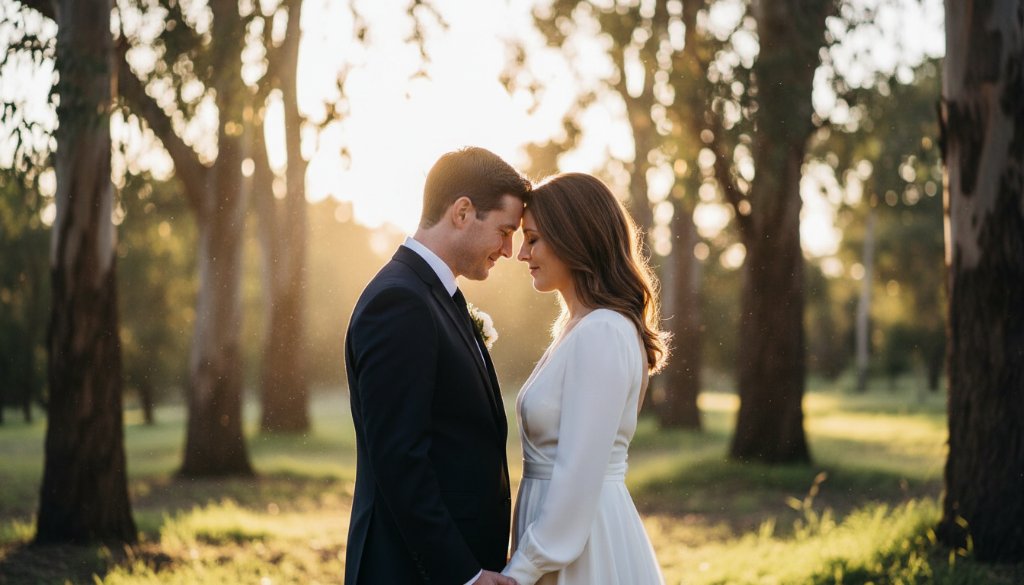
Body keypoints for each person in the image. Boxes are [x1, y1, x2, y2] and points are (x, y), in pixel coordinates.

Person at [344, 147, 531, 585]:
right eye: (504, 231)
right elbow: (400, 460)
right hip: (410, 572)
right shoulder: (399, 302)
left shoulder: (435, 296)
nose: (509, 250)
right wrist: (464, 574)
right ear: (462, 212)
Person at [502, 172, 669, 585]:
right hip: (554, 534)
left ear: (573, 238)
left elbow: (578, 471)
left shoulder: (603, 332)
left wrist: (524, 568)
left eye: (533, 239)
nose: (522, 254)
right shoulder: (577, 328)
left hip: (580, 545)